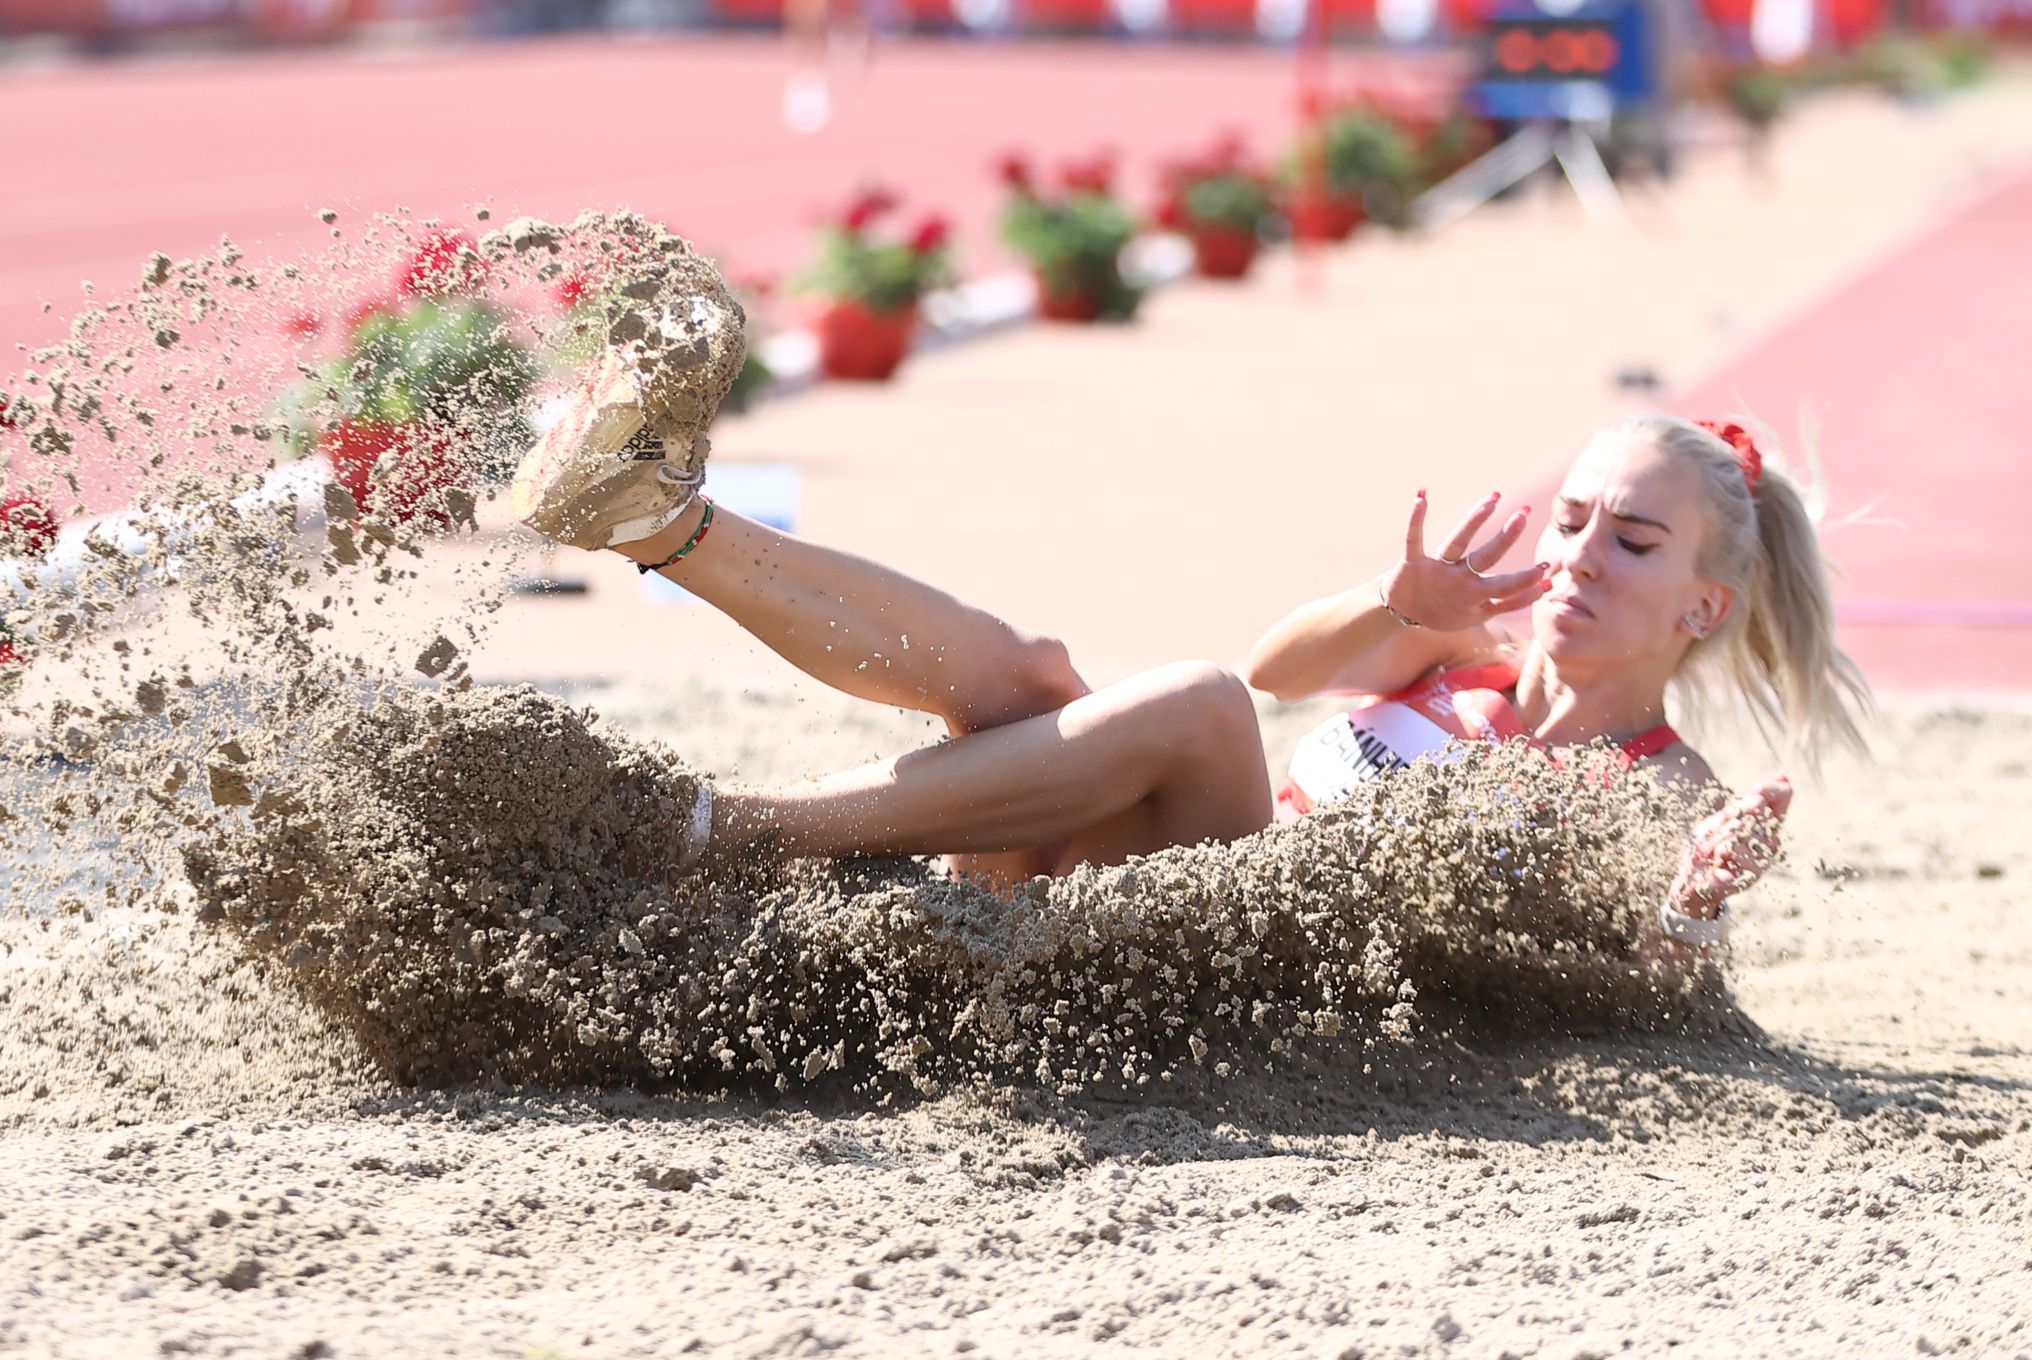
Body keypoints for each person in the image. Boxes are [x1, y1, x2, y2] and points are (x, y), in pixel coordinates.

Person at [514, 374, 1866, 956]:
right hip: (1148, 896)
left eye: (1628, 544)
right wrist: (1391, 604)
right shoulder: (1464, 651)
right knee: (1037, 675)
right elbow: (1288, 669)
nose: (1577, 558)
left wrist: (1693, 909)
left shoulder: (1665, 784)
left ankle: (736, 831)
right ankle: (665, 524)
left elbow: (1639, 992)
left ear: (1702, 610)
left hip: (1262, 976)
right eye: (1571, 521)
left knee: (1198, 708)